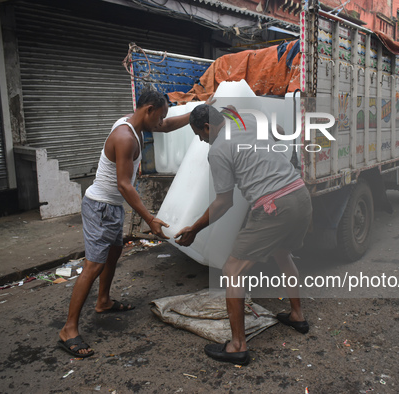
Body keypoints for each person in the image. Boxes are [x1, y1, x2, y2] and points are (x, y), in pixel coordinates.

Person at [58, 90, 208, 358]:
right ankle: (68, 329)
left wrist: (202, 109)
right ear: (148, 109)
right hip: (100, 206)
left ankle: (103, 301)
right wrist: (149, 218)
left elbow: (170, 125)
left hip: (112, 206)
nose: (162, 122)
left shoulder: (136, 124)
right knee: (93, 266)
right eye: (160, 117)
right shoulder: (125, 137)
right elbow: (124, 184)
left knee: (114, 254)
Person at [174, 104, 313, 366]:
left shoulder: (217, 150)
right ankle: (297, 315)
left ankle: (237, 346)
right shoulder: (247, 119)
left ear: (206, 127)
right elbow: (281, 131)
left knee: (232, 270)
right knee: (283, 253)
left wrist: (194, 228)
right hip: (299, 194)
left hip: (275, 207)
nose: (201, 140)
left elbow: (223, 202)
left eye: (199, 134)